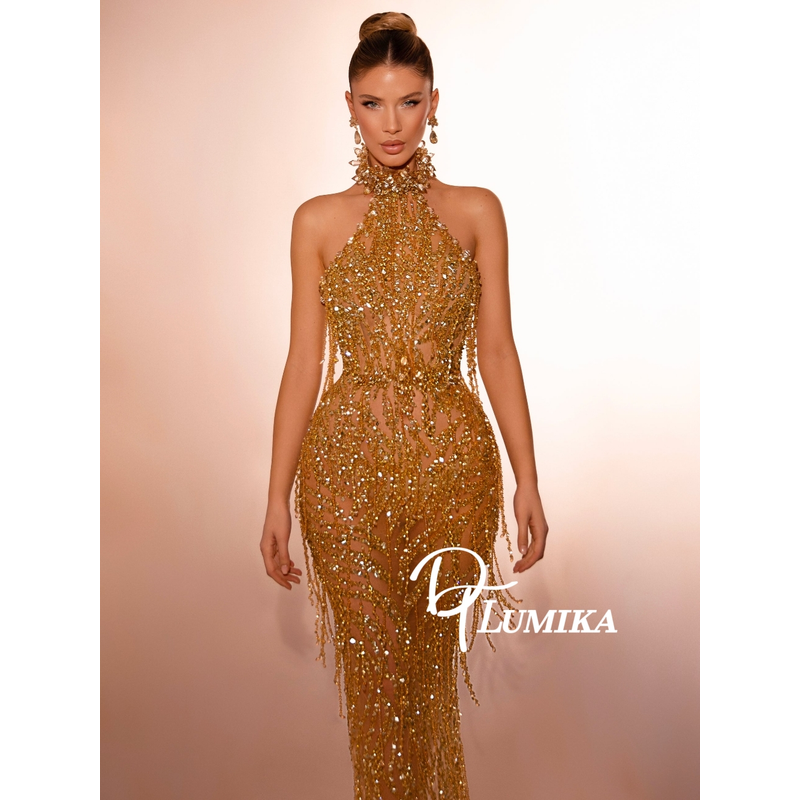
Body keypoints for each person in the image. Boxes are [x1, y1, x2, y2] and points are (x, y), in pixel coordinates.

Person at [260, 11, 548, 800]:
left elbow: (497, 351)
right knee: (377, 689)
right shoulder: (316, 221)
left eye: (409, 102)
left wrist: (527, 478)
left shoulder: (477, 211)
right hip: (342, 480)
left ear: (434, 103)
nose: (392, 123)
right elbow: (304, 364)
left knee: (424, 689)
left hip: (453, 475)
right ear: (349, 105)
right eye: (373, 103)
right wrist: (277, 496)